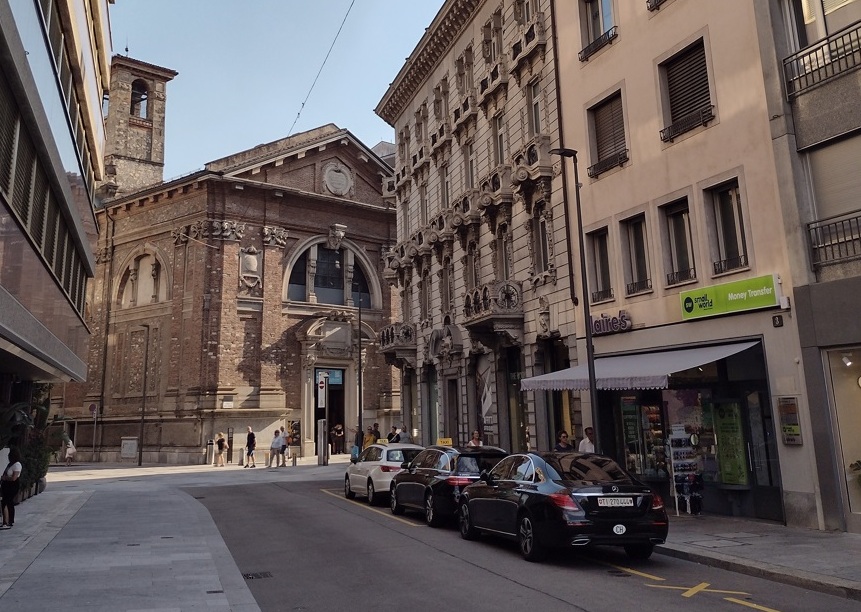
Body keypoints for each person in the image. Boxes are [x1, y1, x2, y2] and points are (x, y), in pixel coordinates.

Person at [1, 447, 22, 529]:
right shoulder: (10, 464)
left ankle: (9, 521)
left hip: (12, 485)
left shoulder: (17, 465)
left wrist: (5, 478)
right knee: (4, 502)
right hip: (6, 485)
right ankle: (6, 520)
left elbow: (14, 478)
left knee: (8, 502)